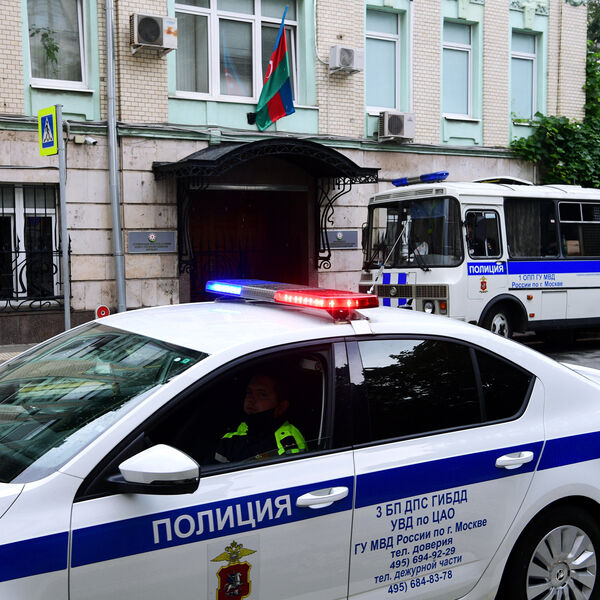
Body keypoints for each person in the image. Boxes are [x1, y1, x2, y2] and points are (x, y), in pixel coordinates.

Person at [214, 373, 307, 463]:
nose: (251, 399)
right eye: (249, 392)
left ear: (281, 407)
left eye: (262, 394)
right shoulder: (232, 435)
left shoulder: (288, 440)